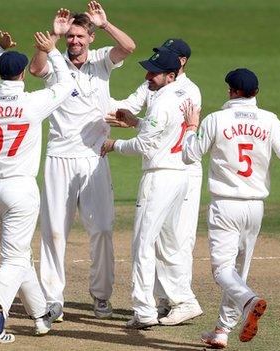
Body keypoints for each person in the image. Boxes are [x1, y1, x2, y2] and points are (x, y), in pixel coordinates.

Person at [181, 68, 280, 348]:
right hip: (255, 207)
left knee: (222, 271)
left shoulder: (216, 120)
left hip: (225, 205)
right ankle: (222, 330)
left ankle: (249, 301)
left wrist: (191, 127)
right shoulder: (270, 120)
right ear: (256, 93)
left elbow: (190, 155)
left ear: (230, 91)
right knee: (238, 271)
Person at [28, 1, 136, 319]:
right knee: (54, 231)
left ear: (90, 38)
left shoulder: (102, 60)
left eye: (79, 36)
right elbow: (35, 69)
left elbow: (129, 47)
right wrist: (55, 36)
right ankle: (52, 299)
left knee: (102, 228)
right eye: (71, 36)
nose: (74, 41)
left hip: (94, 157)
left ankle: (101, 297)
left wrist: (105, 24)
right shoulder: (57, 61)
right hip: (59, 157)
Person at [0, 27, 75, 343]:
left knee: (20, 255)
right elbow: (67, 84)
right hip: (21, 190)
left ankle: (41, 315)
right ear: (22, 76)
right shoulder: (32, 103)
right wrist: (53, 50)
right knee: (14, 259)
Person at [108, 38, 203, 325]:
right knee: (167, 242)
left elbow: (144, 146)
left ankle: (144, 310)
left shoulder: (162, 101)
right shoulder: (180, 96)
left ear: (172, 74)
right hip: (177, 175)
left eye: (154, 73)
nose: (148, 76)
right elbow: (164, 132)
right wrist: (137, 123)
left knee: (143, 244)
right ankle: (181, 300)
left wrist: (114, 145)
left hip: (159, 177)